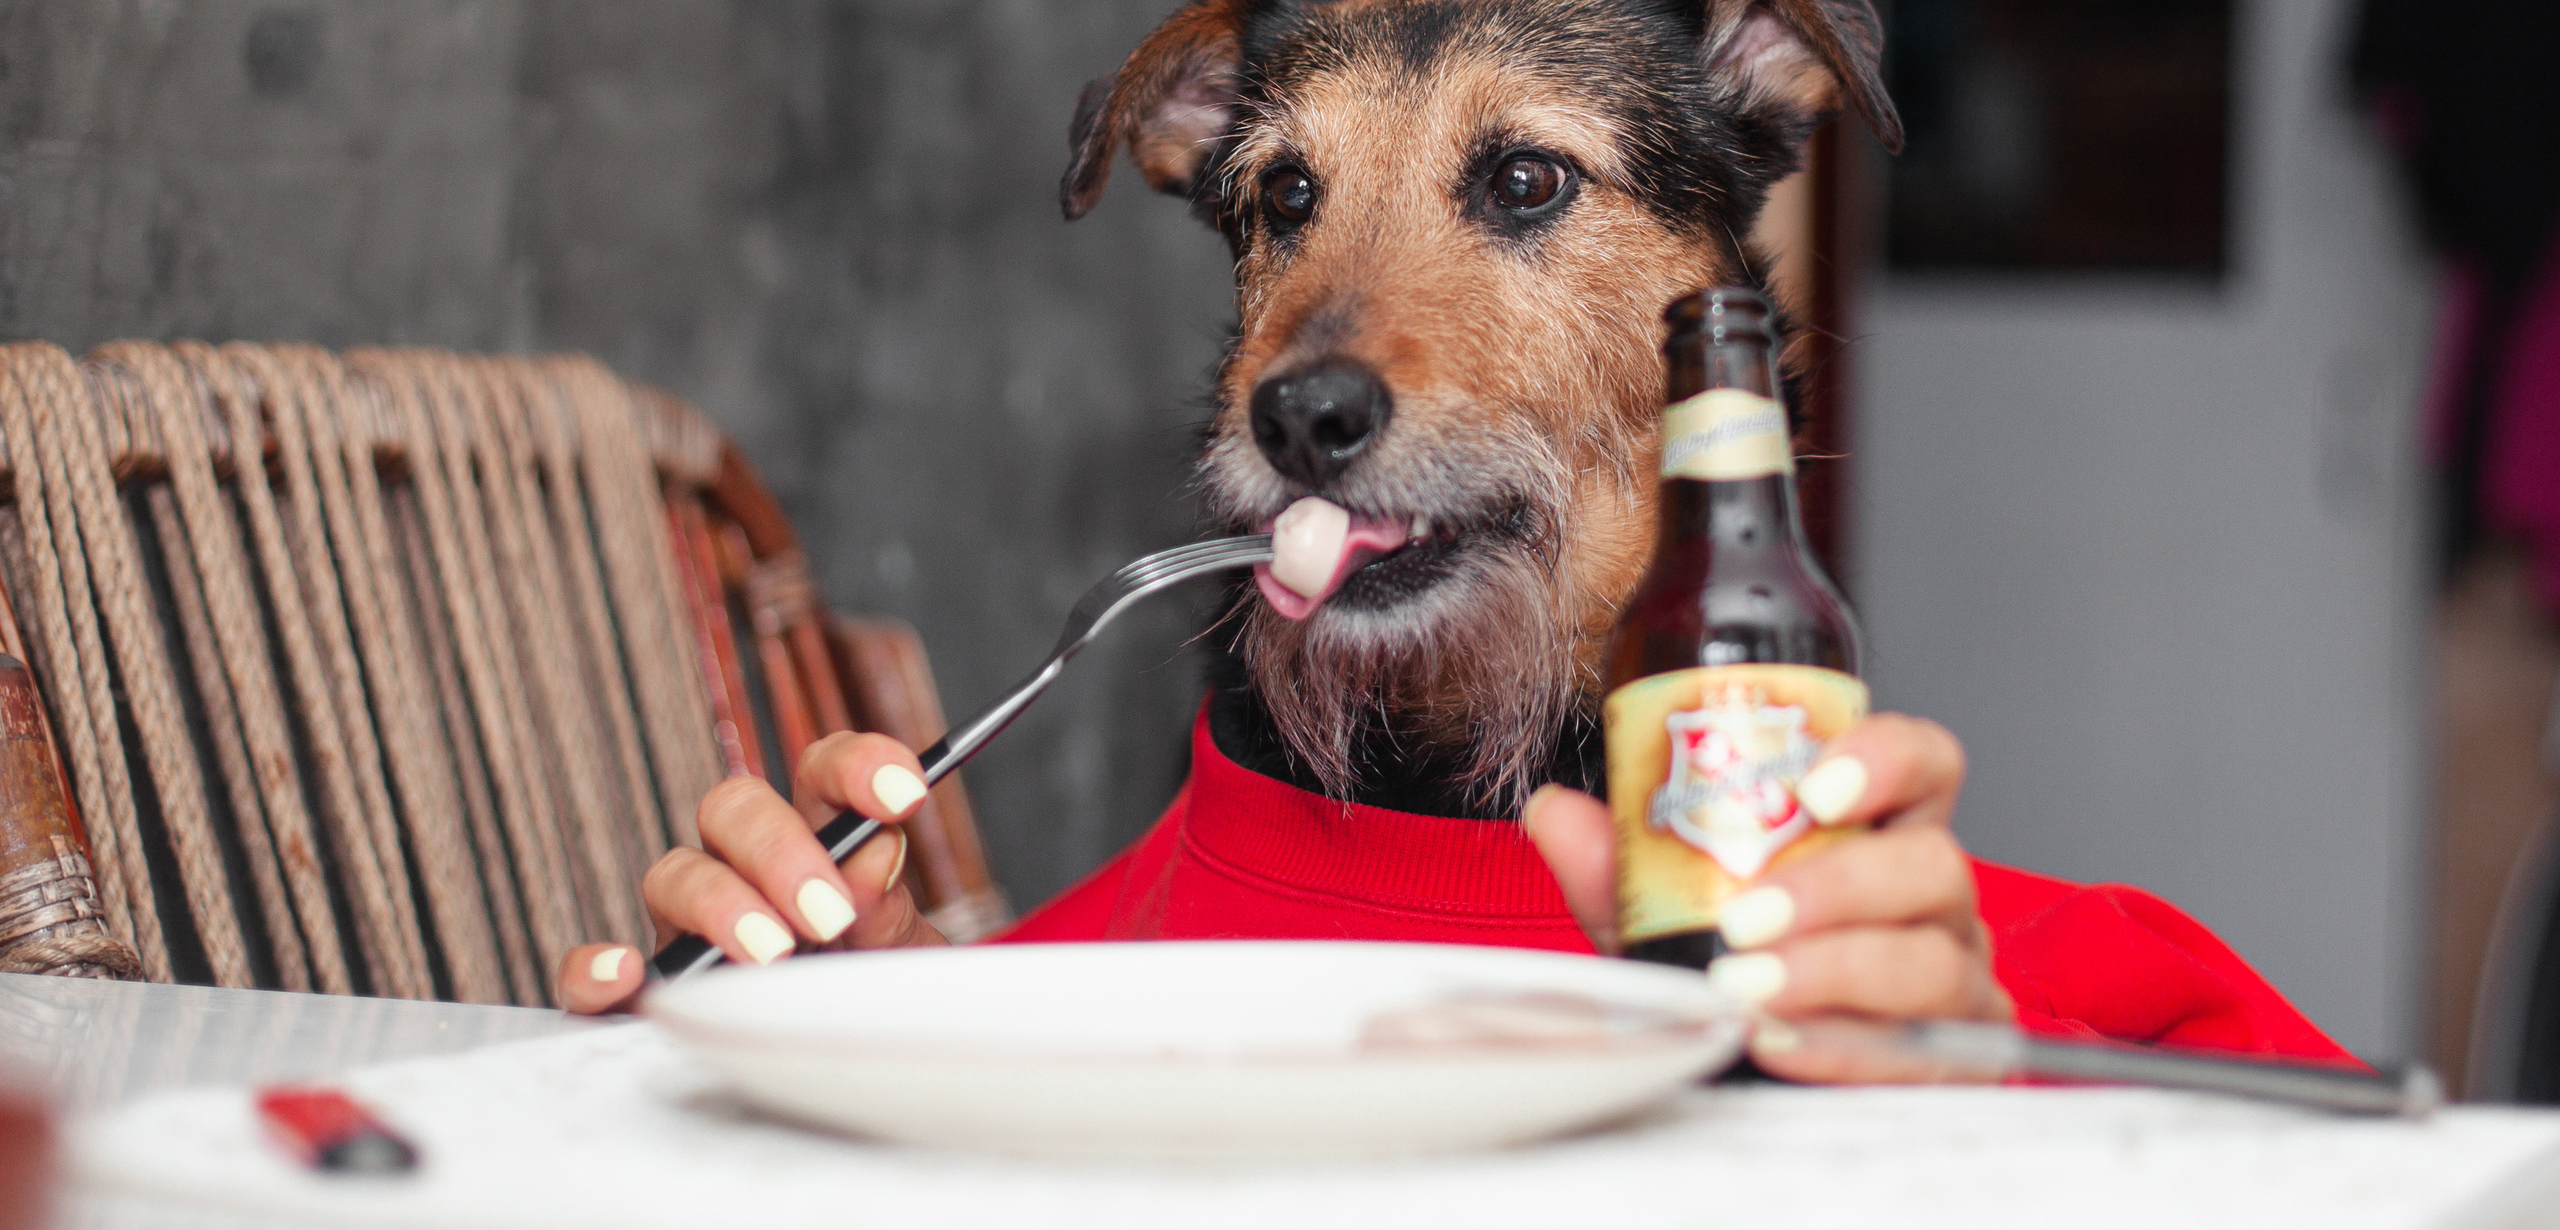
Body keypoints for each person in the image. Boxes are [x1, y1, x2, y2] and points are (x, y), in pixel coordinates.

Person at [558, 707, 2351, 1079]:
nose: (1331, 361)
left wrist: (1986, 1157)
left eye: (1526, 187)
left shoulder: (2087, 996)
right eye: (1286, 202)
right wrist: (785, 1093)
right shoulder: (1001, 1029)